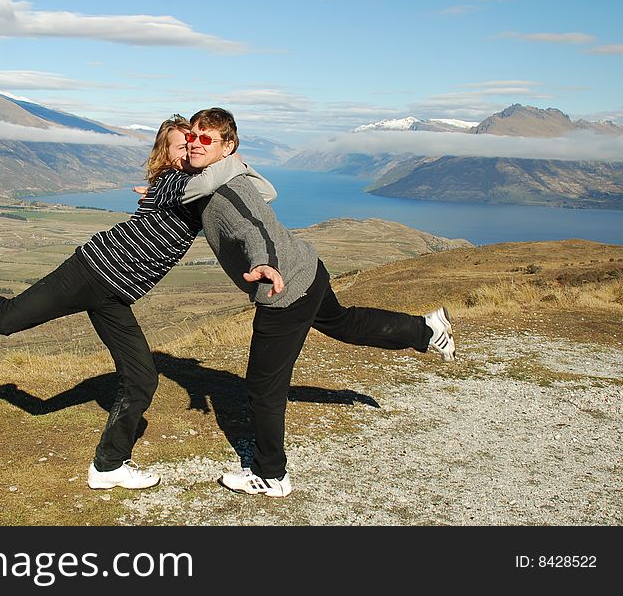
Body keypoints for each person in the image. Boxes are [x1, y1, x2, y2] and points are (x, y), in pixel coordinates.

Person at [0, 115, 274, 491]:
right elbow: (217, 181)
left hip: (116, 294)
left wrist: (230, 159)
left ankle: (109, 466)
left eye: (197, 141)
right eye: (183, 143)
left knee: (141, 379)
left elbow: (265, 192)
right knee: (7, 320)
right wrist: (230, 157)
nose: (191, 147)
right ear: (166, 152)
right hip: (90, 271)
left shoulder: (195, 184)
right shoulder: (175, 183)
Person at [171, 108, 456, 498]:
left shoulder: (225, 190)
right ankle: (426, 330)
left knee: (262, 386)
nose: (195, 144)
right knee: (345, 324)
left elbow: (254, 230)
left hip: (284, 288)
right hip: (309, 268)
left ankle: (271, 475)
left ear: (227, 147)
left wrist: (263, 265)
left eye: (206, 139)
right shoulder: (219, 177)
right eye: (193, 136)